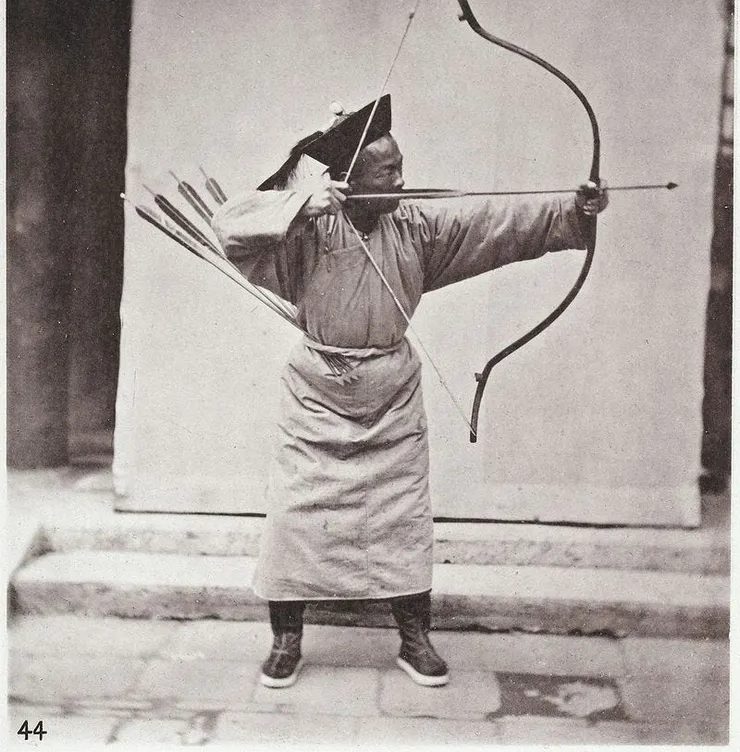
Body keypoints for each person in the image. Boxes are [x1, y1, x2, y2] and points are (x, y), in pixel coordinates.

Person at [212, 95, 609, 689]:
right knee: (295, 520)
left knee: (402, 522)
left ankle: (414, 638)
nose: (402, 180)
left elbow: (496, 222)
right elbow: (229, 222)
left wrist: (574, 210)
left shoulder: (415, 226)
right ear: (349, 181)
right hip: (318, 393)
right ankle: (286, 641)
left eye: (400, 168)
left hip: (391, 393)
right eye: (387, 172)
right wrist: (299, 202)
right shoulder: (304, 230)